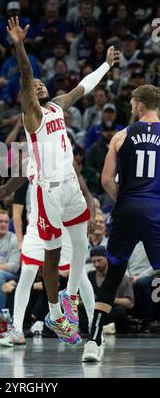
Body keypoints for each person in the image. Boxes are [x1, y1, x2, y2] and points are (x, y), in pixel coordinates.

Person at [6, 16, 120, 344]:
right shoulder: (32, 114)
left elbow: (83, 87)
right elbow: (26, 76)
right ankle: (55, 314)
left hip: (70, 184)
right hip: (48, 192)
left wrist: (105, 65)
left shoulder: (56, 106)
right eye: (35, 86)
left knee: (81, 245)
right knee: (52, 255)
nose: (40, 85)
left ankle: (68, 300)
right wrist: (19, 45)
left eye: (43, 83)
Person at [0, 159, 96, 347]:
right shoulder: (27, 163)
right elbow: (5, 190)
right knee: (27, 273)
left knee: (80, 275)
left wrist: (92, 216)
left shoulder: (66, 158)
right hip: (37, 225)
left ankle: (94, 329)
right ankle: (16, 328)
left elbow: (85, 192)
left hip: (65, 226)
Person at [83, 84, 160, 362]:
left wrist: (124, 201)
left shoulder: (120, 136)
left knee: (113, 275)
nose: (130, 108)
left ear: (139, 105)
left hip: (127, 207)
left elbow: (105, 181)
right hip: (155, 209)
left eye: (131, 104)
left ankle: (92, 341)